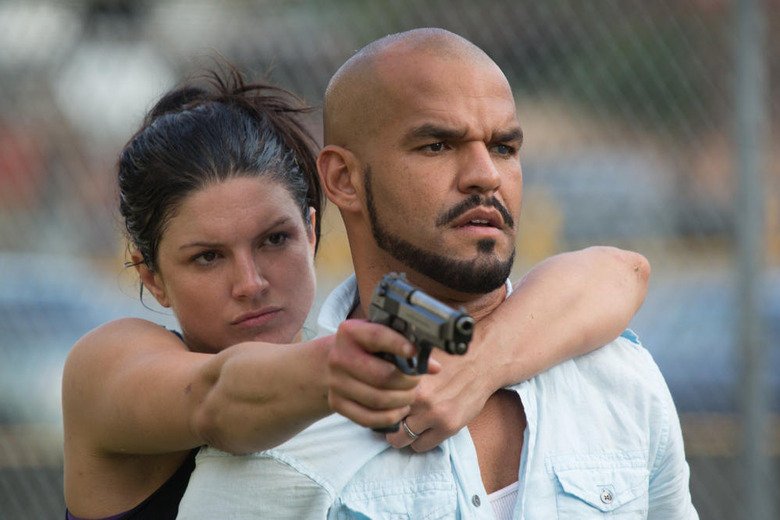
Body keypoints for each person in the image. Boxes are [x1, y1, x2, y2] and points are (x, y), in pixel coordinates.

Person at [62, 62, 648, 519]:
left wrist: (482, 363)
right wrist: (335, 368)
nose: (251, 283)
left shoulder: (340, 362)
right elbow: (214, 398)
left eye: (274, 239)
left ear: (313, 228)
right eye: (207, 257)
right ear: (151, 277)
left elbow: (621, 274)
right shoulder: (109, 364)